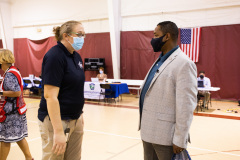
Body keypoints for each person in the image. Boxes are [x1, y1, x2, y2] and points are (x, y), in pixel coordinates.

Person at [139, 21, 197, 160]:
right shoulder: (160, 60)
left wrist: (180, 138)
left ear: (166, 36)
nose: (153, 39)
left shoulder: (184, 63)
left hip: (166, 137)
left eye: (155, 35)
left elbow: (186, 105)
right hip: (148, 132)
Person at [38, 20, 85, 160]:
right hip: (57, 121)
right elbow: (50, 96)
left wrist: (80, 114)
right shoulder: (55, 56)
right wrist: (58, 131)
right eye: (79, 34)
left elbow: (75, 89)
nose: (82, 38)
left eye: (84, 35)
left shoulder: (76, 56)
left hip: (75, 119)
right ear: (66, 36)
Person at [0, 49, 33, 160]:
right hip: (17, 110)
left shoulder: (9, 74)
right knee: (19, 137)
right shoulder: (14, 70)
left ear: (3, 59)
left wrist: (0, 92)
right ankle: (29, 158)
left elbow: (16, 92)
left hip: (11, 113)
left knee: (5, 139)